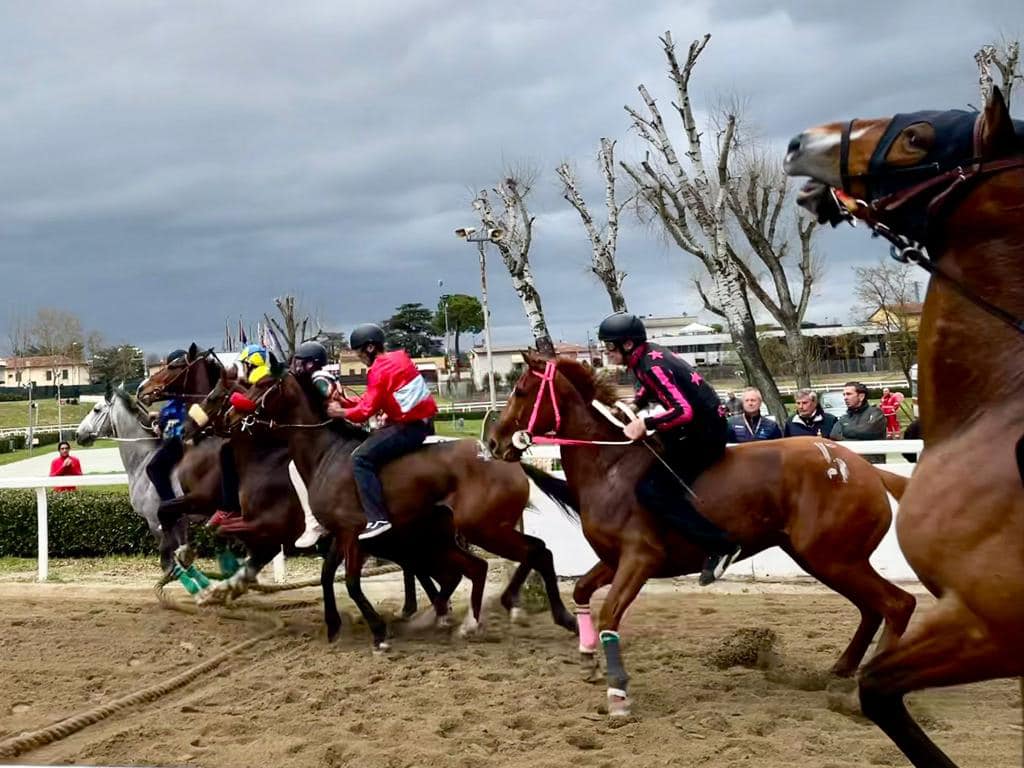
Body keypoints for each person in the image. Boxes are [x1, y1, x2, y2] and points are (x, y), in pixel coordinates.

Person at [598, 311, 742, 586]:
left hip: (705, 434)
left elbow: (683, 411)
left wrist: (645, 422)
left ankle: (720, 545)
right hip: (699, 427)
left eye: (610, 346)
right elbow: (650, 390)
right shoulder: (645, 357)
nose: (607, 352)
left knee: (652, 490)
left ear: (627, 344)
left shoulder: (651, 365)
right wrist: (632, 406)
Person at [326, 323, 437, 540]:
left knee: (360, 458)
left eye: (358, 353)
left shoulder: (379, 370)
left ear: (369, 348)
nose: (359, 358)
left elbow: (365, 412)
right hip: (420, 423)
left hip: (410, 429)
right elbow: (374, 402)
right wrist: (345, 402)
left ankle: (378, 518)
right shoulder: (399, 358)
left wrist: (339, 412)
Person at [146, 349, 189, 518]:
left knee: (154, 467)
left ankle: (172, 509)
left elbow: (179, 416)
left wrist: (162, 426)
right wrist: (159, 418)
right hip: (182, 434)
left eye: (169, 369)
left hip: (181, 439)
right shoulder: (181, 387)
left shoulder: (182, 388)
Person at [830, 381, 886, 463]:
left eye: (849, 394)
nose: (845, 397)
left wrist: (846, 430)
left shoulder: (876, 413)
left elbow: (867, 432)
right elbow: (834, 435)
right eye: (844, 395)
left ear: (861, 396)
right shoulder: (844, 417)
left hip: (872, 466)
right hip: (849, 464)